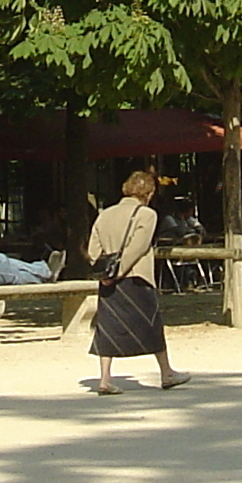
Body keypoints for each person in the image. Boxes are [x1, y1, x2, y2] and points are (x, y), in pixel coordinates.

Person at [87, 169, 185, 394]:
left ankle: (104, 379)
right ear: (148, 193)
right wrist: (120, 273)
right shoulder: (147, 215)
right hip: (136, 277)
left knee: (108, 327)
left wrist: (106, 275)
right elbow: (137, 248)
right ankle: (166, 372)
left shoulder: (105, 214)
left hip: (108, 281)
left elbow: (93, 249)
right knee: (151, 324)